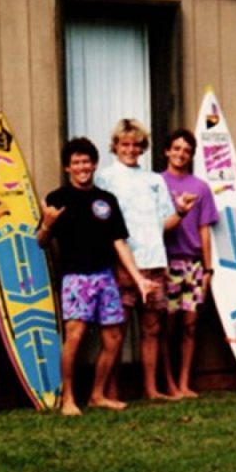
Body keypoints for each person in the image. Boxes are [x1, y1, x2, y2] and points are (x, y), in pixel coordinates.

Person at [38, 137, 152, 416]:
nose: (82, 167)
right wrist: (47, 225)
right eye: (76, 162)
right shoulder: (57, 199)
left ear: (95, 164)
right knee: (74, 337)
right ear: (67, 167)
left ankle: (97, 395)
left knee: (113, 338)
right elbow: (40, 241)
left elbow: (119, 242)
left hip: (106, 277)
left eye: (86, 161)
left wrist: (138, 279)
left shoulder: (106, 200)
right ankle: (68, 399)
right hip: (75, 278)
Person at [94, 119, 188, 400]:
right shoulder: (105, 178)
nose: (130, 149)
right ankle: (111, 391)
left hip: (154, 261)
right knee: (116, 331)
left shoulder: (154, 180)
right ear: (115, 146)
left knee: (152, 328)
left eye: (136, 144)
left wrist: (181, 212)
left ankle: (151, 389)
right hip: (122, 263)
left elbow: (166, 223)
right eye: (125, 144)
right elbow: (102, 222)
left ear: (143, 147)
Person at [160, 129, 219, 398]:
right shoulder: (158, 183)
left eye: (186, 150)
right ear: (166, 151)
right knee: (167, 326)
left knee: (190, 325)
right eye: (176, 148)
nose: (181, 154)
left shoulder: (201, 188)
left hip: (193, 265)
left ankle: (185, 383)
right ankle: (169, 383)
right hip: (167, 263)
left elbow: (205, 230)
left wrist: (208, 269)